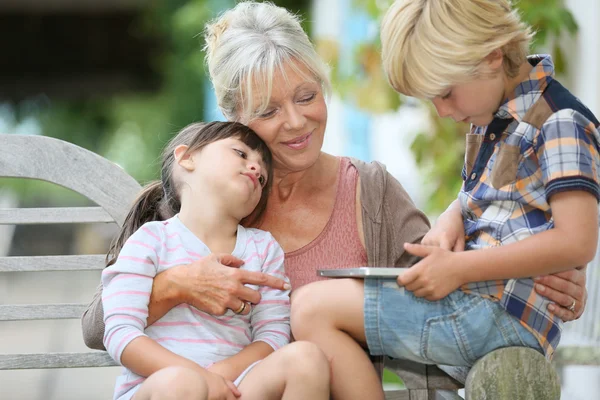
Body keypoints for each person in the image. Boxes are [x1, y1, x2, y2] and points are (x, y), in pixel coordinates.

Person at [81, 1, 588, 397]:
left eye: (306, 97)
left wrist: (545, 270)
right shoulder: (197, 197)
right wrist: (177, 285)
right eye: (269, 110)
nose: (297, 122)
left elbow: (435, 282)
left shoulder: (371, 193)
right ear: (233, 115)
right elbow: (98, 326)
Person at [291, 0, 600, 398]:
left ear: (491, 57)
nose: (441, 111)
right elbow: (496, 197)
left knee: (312, 308)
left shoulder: (561, 122)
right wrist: (452, 218)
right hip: (483, 308)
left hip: (497, 315)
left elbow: (577, 242)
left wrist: (460, 268)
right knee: (313, 304)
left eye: (446, 93)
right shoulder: (497, 119)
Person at [101, 120, 330, 400]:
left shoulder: (263, 248)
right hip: (161, 385)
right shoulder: (150, 240)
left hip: (235, 385)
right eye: (241, 153)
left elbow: (272, 336)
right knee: (181, 384)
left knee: (306, 358)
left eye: (263, 178)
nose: (256, 169)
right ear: (187, 158)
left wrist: (221, 374)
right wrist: (198, 377)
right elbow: (121, 333)